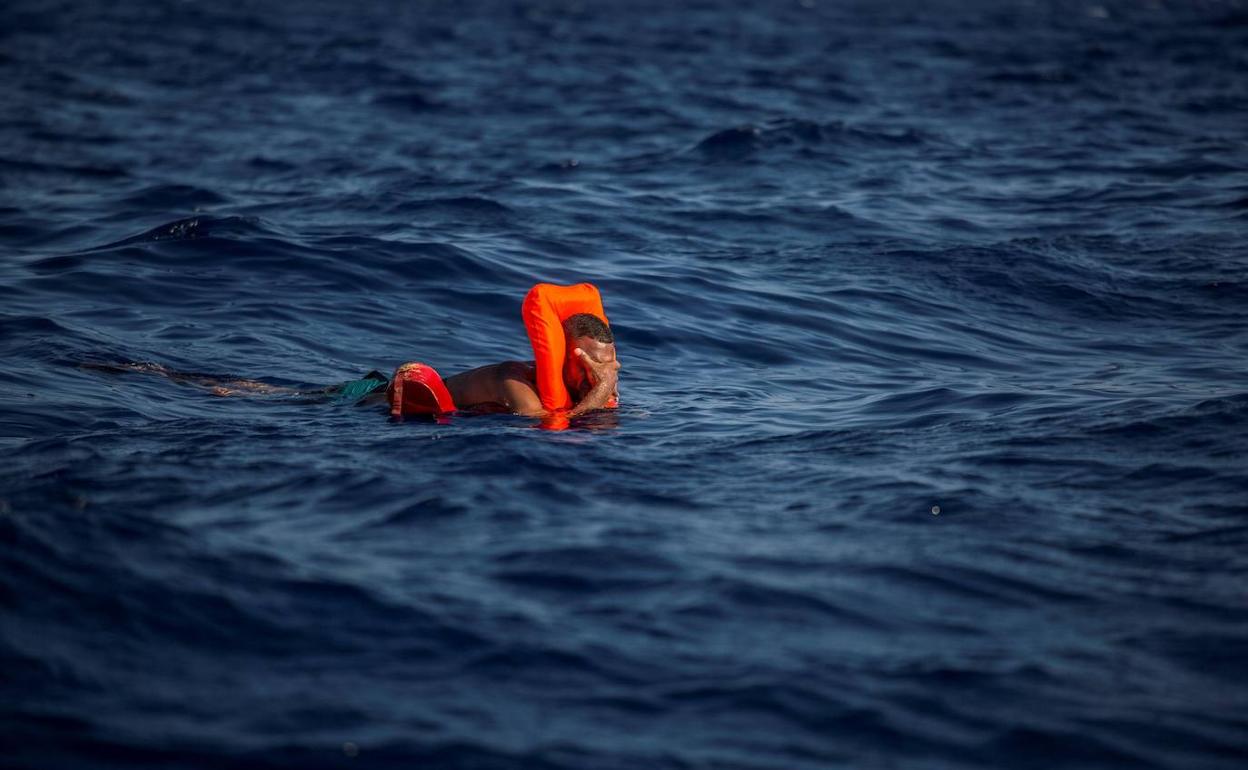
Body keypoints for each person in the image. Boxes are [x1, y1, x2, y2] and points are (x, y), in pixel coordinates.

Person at [86, 313, 620, 419]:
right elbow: (540, 426)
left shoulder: (582, 388)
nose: (596, 374)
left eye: (605, 364)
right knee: (272, 397)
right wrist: (598, 399)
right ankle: (153, 374)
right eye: (586, 364)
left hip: (381, 393)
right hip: (371, 397)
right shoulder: (515, 381)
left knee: (284, 395)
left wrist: (600, 398)